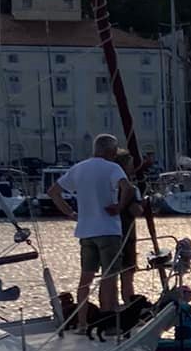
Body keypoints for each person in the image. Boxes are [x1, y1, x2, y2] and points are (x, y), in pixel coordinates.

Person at [48, 134, 133, 329]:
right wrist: (119, 207)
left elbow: (53, 191)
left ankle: (83, 322)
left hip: (86, 231)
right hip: (108, 230)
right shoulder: (113, 168)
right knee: (109, 276)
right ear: (111, 151)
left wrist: (70, 213)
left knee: (85, 278)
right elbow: (126, 187)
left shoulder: (79, 168)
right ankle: (108, 319)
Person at [116, 151, 140, 310]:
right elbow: (135, 211)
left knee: (109, 275)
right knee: (127, 274)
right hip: (126, 235)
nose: (133, 169)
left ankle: (110, 306)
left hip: (110, 233)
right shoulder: (129, 188)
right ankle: (129, 305)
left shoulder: (109, 185)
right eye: (130, 165)